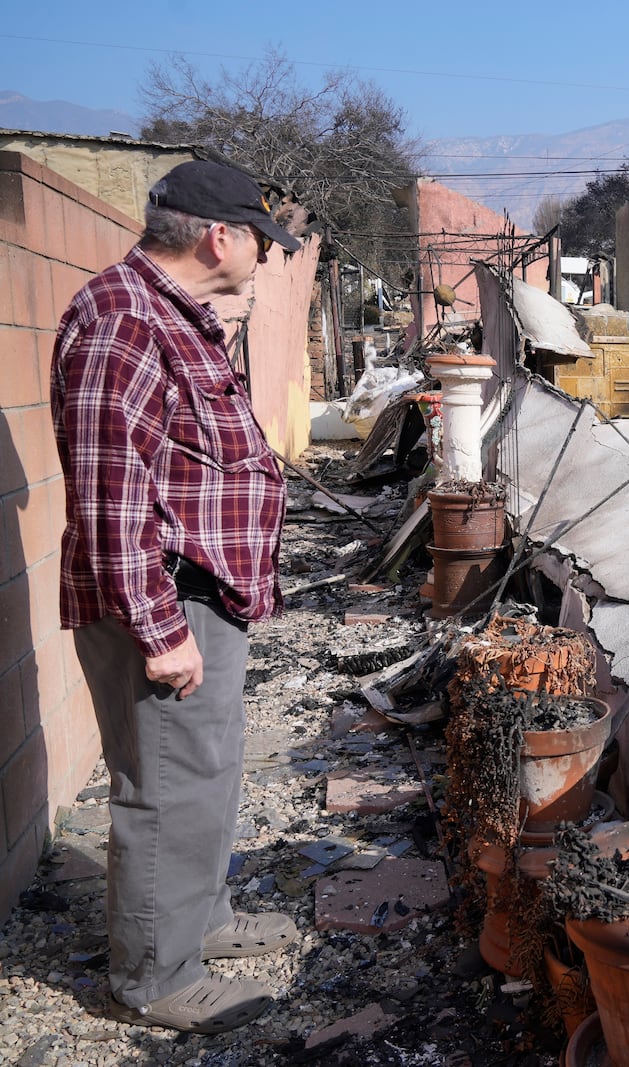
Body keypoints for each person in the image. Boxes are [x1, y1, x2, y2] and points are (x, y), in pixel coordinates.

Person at [50, 160, 302, 1034]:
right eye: (261, 241)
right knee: (167, 784)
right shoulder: (124, 318)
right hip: (166, 601)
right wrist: (161, 631)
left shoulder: (168, 314)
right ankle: (156, 976)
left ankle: (203, 919)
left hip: (202, 596)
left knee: (208, 773)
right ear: (217, 235)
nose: (266, 258)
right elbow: (109, 496)